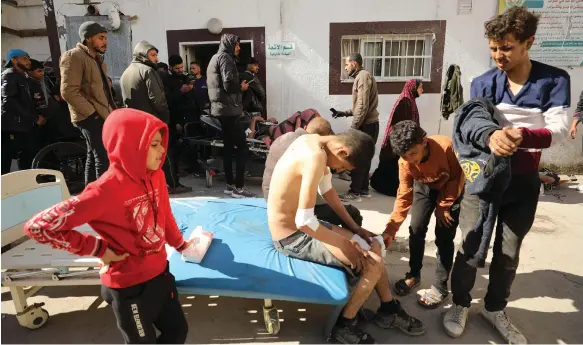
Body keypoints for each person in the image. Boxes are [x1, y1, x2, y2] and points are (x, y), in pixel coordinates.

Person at [443, 7, 571, 343]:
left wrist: (520, 136)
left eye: (507, 48)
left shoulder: (554, 80)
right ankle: (459, 303)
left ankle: (495, 307)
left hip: (524, 182)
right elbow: (471, 123)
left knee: (509, 252)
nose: (499, 56)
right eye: (494, 49)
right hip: (483, 181)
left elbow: (558, 130)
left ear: (528, 42)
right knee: (469, 247)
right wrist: (489, 137)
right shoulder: (483, 83)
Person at [23, 108, 191, 344]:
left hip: (161, 276)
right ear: (129, 145)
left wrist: (181, 244)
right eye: (153, 144)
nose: (162, 150)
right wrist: (98, 249)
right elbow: (39, 226)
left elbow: (164, 215)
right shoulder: (104, 191)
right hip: (128, 288)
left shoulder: (157, 176)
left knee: (178, 332)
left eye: (161, 143)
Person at [268, 129, 425, 344]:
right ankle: (343, 326)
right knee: (372, 263)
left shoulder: (315, 142)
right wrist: (346, 244)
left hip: (305, 226)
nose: (337, 169)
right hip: (292, 236)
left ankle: (388, 310)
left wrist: (355, 230)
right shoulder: (314, 157)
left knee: (371, 245)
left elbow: (328, 191)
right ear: (342, 151)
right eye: (342, 166)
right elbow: (304, 222)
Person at [382, 120, 464, 308]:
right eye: (405, 156)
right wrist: (391, 229)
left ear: (424, 141)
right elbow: (403, 195)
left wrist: (444, 206)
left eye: (413, 153)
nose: (410, 159)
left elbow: (456, 178)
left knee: (444, 236)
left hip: (449, 190)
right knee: (416, 229)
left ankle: (440, 287)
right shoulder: (405, 162)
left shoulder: (446, 147)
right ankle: (413, 274)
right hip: (424, 187)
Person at [262, 117, 363, 228]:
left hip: (269, 195)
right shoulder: (313, 152)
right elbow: (307, 216)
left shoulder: (283, 137)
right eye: (342, 166)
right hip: (287, 208)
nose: (339, 170)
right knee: (352, 214)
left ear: (305, 127)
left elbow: (326, 189)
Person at [60, 21, 116, 186]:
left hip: (101, 114)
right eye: (101, 37)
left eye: (106, 38)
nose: (105, 41)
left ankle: (89, 196)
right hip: (89, 116)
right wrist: (92, 114)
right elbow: (68, 91)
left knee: (94, 155)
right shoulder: (74, 56)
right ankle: (103, 199)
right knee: (103, 158)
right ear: (88, 38)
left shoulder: (96, 59)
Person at [207, 33, 255, 198]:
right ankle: (239, 188)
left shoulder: (215, 58)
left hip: (221, 110)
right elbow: (229, 84)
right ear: (230, 45)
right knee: (242, 147)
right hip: (228, 110)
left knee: (228, 148)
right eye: (237, 45)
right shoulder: (226, 59)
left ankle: (229, 185)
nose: (239, 48)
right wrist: (241, 87)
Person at [333, 53, 380, 202]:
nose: (345, 68)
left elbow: (363, 105)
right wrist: (343, 113)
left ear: (354, 63)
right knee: (365, 159)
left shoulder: (363, 77)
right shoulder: (362, 76)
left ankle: (355, 192)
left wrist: (353, 129)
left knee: (357, 159)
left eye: (346, 64)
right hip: (369, 124)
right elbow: (360, 106)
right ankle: (363, 190)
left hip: (366, 125)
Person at [370, 79, 424, 196]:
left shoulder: (410, 100)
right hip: (398, 141)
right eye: (420, 87)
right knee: (392, 168)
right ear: (413, 88)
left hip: (402, 140)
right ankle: (384, 187)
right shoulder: (405, 103)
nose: (422, 90)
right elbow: (402, 125)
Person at [1, 49, 43, 174]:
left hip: (23, 126)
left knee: (26, 158)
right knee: (6, 161)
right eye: (25, 58)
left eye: (29, 59)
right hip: (12, 127)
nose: (28, 61)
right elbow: (9, 101)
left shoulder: (22, 77)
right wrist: (34, 118)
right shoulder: (9, 75)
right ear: (14, 60)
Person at [162, 55, 196, 194]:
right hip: (173, 120)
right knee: (172, 153)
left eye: (182, 67)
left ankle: (177, 179)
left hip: (187, 120)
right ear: (170, 68)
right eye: (177, 68)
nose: (180, 70)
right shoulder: (166, 80)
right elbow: (167, 100)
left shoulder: (185, 77)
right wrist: (180, 91)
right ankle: (173, 182)